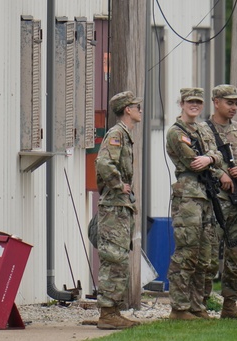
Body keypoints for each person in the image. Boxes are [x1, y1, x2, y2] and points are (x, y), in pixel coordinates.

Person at [165, 88, 222, 320]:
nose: (194, 106)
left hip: (205, 195)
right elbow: (191, 161)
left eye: (198, 102)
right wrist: (210, 159)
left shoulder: (203, 129)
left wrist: (210, 158)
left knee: (205, 254)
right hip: (188, 196)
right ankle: (179, 307)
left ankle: (197, 306)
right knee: (187, 252)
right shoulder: (176, 132)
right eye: (190, 102)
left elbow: (216, 154)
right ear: (181, 103)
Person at [200, 84, 237, 319]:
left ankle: (230, 305)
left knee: (236, 255)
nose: (233, 107)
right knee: (208, 256)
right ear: (216, 102)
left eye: (236, 103)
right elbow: (195, 162)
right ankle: (200, 304)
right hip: (214, 201)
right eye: (229, 102)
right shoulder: (203, 130)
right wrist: (218, 173)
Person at [95, 91, 143, 329]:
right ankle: (108, 313)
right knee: (114, 257)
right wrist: (118, 184)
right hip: (114, 206)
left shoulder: (124, 135)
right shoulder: (117, 134)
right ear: (127, 110)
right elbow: (104, 162)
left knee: (119, 258)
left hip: (119, 205)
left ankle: (112, 309)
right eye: (137, 107)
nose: (140, 110)